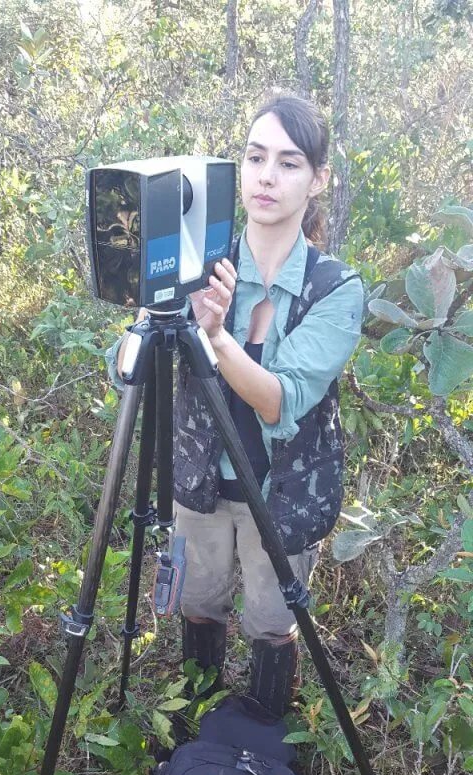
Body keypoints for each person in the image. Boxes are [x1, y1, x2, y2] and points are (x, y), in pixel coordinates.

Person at [107, 93, 364, 718]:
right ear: (239, 168)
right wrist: (152, 315)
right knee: (200, 601)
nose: (268, 177)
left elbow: (280, 401)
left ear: (318, 179)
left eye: (289, 162)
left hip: (284, 492)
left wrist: (217, 335)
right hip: (199, 481)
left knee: (272, 619)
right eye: (255, 158)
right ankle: (201, 717)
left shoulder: (335, 288)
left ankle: (266, 728)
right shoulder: (198, 265)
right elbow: (124, 373)